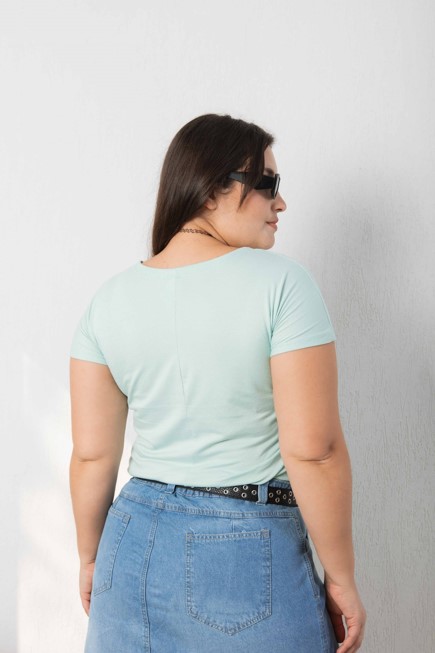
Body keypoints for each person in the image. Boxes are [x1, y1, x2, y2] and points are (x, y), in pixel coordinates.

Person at [69, 113, 366, 653]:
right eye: (267, 183)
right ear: (210, 190)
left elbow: (92, 456)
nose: (281, 202)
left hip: (128, 547)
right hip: (242, 556)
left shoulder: (107, 300)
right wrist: (341, 576)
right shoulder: (282, 285)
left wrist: (91, 559)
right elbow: (315, 451)